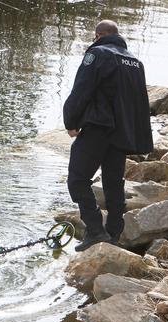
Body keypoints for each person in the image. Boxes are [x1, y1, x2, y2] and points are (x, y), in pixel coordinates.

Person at [63, 20, 153, 252]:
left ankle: (94, 230)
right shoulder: (135, 61)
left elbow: (82, 89)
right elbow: (139, 102)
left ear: (99, 35)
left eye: (95, 37)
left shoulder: (98, 53)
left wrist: (71, 121)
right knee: (113, 183)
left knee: (78, 179)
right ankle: (113, 233)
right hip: (122, 133)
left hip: (98, 128)